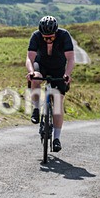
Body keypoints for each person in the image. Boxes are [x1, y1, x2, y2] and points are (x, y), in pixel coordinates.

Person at [26, 15, 75, 152]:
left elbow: (70, 59)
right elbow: (30, 58)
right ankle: (36, 109)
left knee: (58, 102)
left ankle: (57, 139)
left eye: (51, 37)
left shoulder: (64, 36)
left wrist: (67, 74)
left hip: (58, 68)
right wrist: (30, 72)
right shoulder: (35, 36)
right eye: (45, 37)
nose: (48, 39)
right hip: (41, 65)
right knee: (35, 78)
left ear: (56, 32)